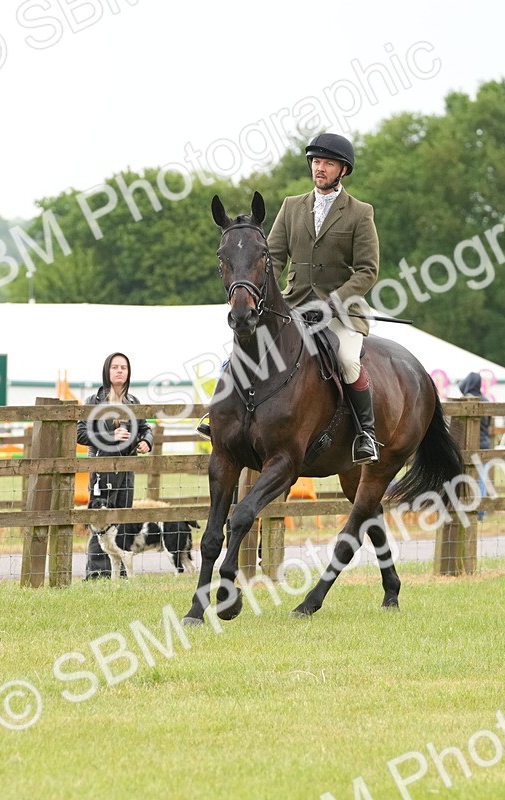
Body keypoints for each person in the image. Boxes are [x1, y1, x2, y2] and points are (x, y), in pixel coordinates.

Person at [197, 132, 382, 464]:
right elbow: (273, 258)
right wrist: (260, 294)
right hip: (292, 305)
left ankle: (365, 434)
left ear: (343, 170)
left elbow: (367, 270)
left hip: (339, 312)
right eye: (315, 162)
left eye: (327, 163)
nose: (319, 168)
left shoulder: (359, 212)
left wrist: (332, 303)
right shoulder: (292, 206)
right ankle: (220, 418)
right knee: (239, 353)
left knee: (349, 360)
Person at [77, 352, 153, 579]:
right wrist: (110, 435)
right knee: (100, 520)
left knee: (122, 519)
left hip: (127, 471)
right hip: (101, 469)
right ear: (106, 371)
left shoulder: (133, 403)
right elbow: (80, 433)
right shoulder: (93, 401)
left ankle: (119, 573)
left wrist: (146, 441)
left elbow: (145, 428)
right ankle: (97, 572)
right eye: (115, 367)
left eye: (124, 367)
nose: (120, 371)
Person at [458, 371, 494, 520]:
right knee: (482, 479)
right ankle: (481, 511)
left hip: (468, 446)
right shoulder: (485, 400)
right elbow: (490, 423)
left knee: (466, 478)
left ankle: (467, 508)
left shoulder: (464, 401)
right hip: (484, 443)